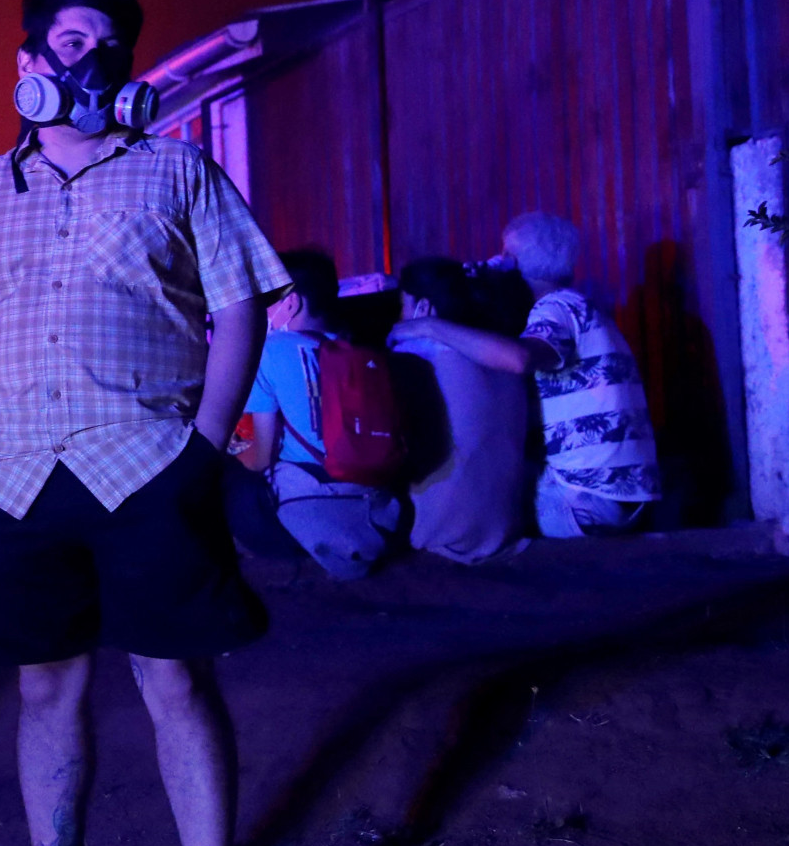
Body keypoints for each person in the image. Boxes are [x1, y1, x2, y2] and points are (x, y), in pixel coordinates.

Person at [0, 0, 289, 846]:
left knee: (174, 676)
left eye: (111, 41)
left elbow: (238, 309)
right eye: (73, 36)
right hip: (7, 478)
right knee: (46, 683)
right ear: (30, 62)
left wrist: (205, 447)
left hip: (145, 465)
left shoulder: (178, 171)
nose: (92, 56)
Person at [389, 211, 659, 537]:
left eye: (505, 253)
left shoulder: (557, 307)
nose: (497, 260)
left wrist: (429, 326)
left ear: (514, 262)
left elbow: (519, 358)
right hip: (622, 495)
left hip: (588, 500)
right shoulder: (583, 308)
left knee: (483, 495)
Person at [233, 248, 401, 580]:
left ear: (291, 303)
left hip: (303, 515)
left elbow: (261, 458)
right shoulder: (363, 351)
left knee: (222, 468)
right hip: (382, 514)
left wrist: (229, 454)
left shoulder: (268, 352)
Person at [387, 257, 532, 563]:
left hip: (444, 536)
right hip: (506, 528)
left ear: (423, 309)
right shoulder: (500, 353)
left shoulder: (415, 355)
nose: (399, 317)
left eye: (402, 306)